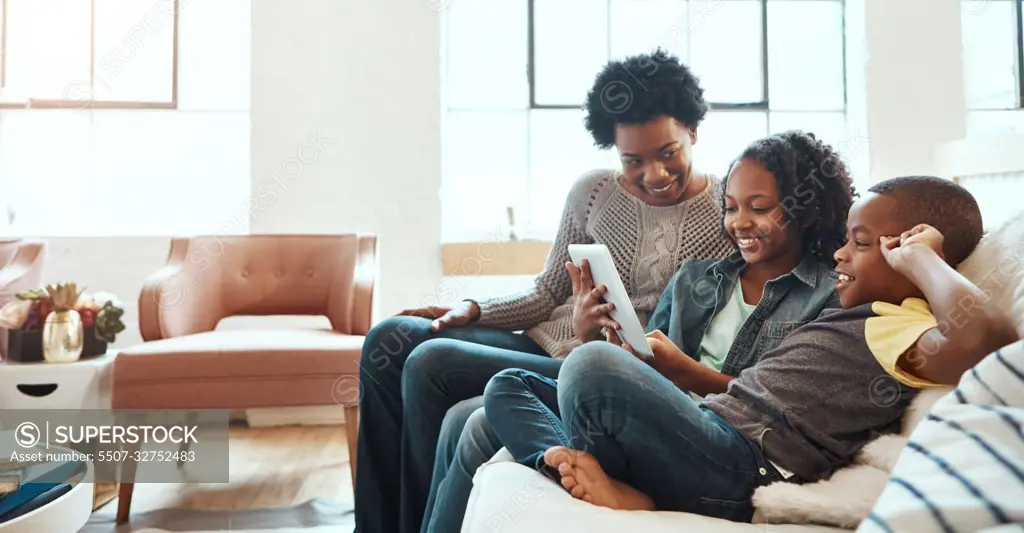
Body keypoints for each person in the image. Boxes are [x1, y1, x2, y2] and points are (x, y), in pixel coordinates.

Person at [483, 176, 1019, 522]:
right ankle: (568, 463)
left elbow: (990, 345)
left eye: (860, 243)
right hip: (709, 430)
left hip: (744, 466)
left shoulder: (906, 325)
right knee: (510, 386)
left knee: (593, 364)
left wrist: (923, 262)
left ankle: (616, 480)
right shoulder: (855, 316)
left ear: (909, 253)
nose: (840, 253)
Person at [353, 49, 735, 533]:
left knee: (430, 364)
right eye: (633, 160)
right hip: (543, 337)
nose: (653, 175)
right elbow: (546, 290)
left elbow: (692, 331)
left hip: (595, 366)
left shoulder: (728, 211)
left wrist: (596, 336)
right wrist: (472, 308)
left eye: (668, 153)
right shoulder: (593, 192)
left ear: (693, 133)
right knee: (390, 338)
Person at [421, 128, 858, 532]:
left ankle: (600, 475)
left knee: (523, 397)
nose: (739, 222)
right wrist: (603, 339)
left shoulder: (828, 296)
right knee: (497, 397)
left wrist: (676, 370)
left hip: (721, 440)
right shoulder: (695, 279)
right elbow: (645, 371)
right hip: (652, 419)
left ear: (804, 209)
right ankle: (567, 462)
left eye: (759, 208)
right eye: (731, 207)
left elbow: (774, 405)